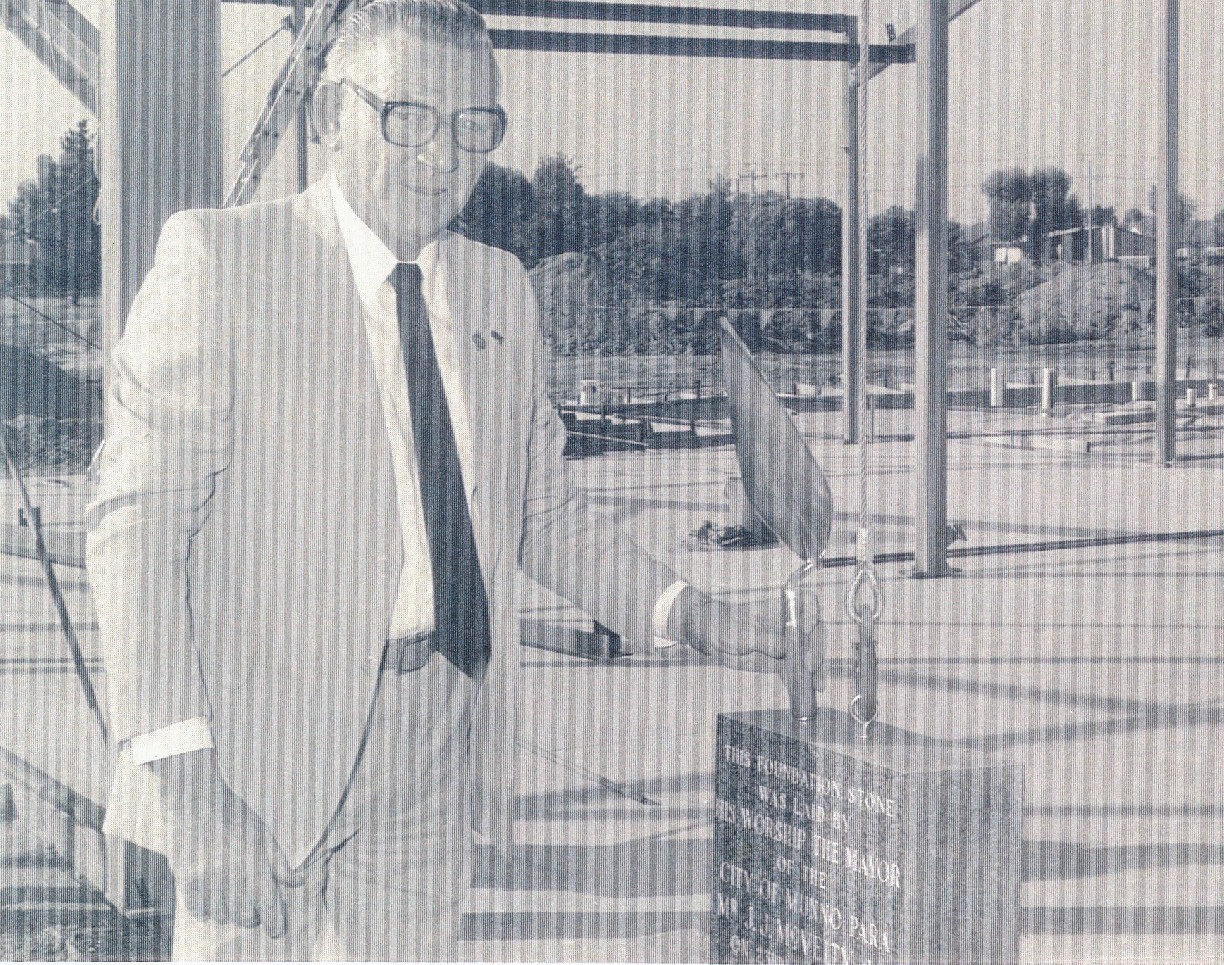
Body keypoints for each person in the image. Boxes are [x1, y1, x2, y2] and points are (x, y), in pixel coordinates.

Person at [85, 1, 782, 958]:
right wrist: (191, 791)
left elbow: (542, 511)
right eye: (407, 115)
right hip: (261, 745)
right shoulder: (224, 261)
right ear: (330, 115)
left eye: (473, 125)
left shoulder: (500, 287)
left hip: (437, 734)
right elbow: (136, 531)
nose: (442, 155)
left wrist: (690, 613)